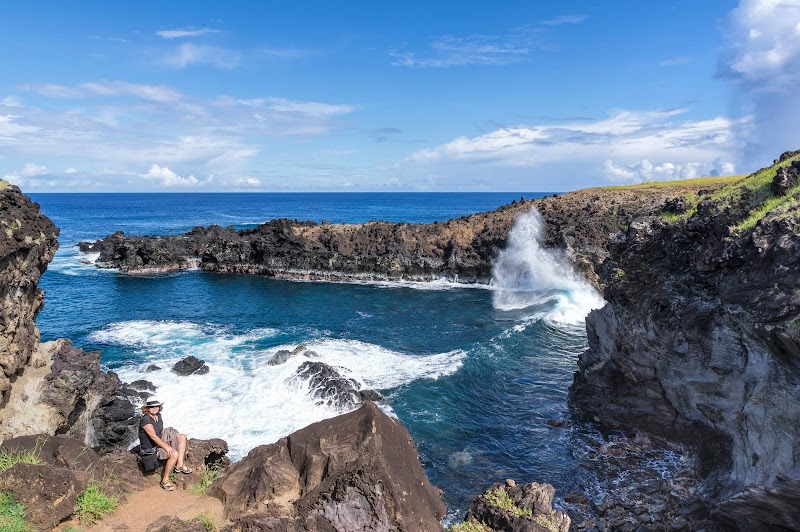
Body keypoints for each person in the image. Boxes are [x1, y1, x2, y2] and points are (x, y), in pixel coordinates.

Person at [138, 396, 193, 491]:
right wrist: (167, 448)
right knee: (173, 454)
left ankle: (179, 465)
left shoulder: (158, 416)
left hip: (159, 441)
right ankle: (165, 480)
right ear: (147, 408)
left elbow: (160, 432)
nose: (154, 408)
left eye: (157, 406)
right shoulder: (146, 420)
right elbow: (153, 437)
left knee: (182, 437)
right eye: (152, 407)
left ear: (159, 407)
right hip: (151, 449)